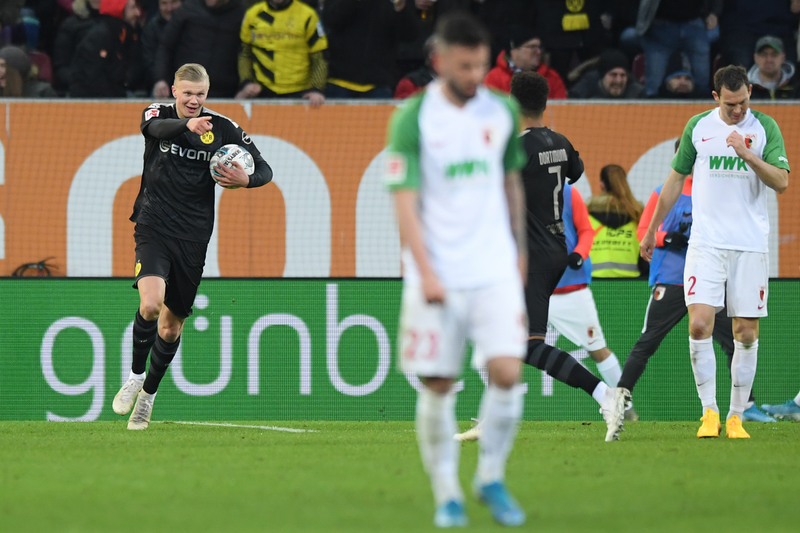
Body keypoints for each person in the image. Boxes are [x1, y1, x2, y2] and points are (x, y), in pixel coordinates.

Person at [385, 12, 529, 527]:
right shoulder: (413, 118)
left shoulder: (503, 111)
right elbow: (404, 200)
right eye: (465, 66)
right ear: (439, 60)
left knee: (508, 372)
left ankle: (490, 476)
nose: (475, 76)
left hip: (492, 266)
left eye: (482, 66)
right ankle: (447, 491)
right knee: (440, 381)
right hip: (438, 269)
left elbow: (511, 182)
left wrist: (519, 254)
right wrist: (424, 271)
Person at [454, 72, 626, 446]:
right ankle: (492, 419)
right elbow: (575, 173)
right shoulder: (561, 144)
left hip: (527, 257)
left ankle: (605, 396)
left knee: (527, 345)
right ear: (546, 103)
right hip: (555, 252)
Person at [628, 65, 789, 440]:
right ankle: (709, 413)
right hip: (707, 243)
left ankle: (736, 416)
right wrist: (652, 229)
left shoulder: (765, 129)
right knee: (699, 323)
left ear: (751, 91)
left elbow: (781, 182)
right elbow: (673, 180)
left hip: (749, 245)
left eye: (744, 101)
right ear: (716, 97)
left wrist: (747, 155)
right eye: (731, 104)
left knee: (745, 333)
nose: (738, 111)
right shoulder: (698, 127)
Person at [112, 63, 274, 430]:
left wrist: (245, 179)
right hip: (153, 225)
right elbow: (152, 128)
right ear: (174, 91)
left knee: (170, 328)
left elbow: (265, 168)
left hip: (193, 237)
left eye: (200, 94)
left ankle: (148, 398)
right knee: (150, 304)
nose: (194, 100)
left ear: (207, 93)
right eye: (187, 93)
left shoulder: (224, 129)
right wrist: (186, 124)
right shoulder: (159, 115)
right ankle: (136, 376)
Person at [617, 139, 775, 423]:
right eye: (683, 156)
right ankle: (619, 398)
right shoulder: (663, 192)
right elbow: (644, 231)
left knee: (736, 340)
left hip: (710, 281)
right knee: (648, 342)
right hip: (672, 281)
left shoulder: (713, 192)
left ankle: (746, 407)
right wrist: (668, 237)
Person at [321, 0, 416, 99]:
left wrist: (400, 8)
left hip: (379, 84)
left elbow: (410, 36)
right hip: (339, 81)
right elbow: (329, 19)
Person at [153, 0, 245, 99]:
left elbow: (246, 54)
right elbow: (166, 47)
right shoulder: (187, 9)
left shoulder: (240, 15)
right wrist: (160, 79)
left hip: (225, 94)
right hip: (186, 90)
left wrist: (244, 86)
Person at [635, 0, 720, 96]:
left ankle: (704, 110)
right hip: (660, 25)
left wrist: (714, 11)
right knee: (653, 85)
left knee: (702, 84)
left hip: (694, 22)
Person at [68, 0, 144, 97]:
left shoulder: (126, 35)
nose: (138, 13)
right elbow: (95, 79)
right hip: (90, 103)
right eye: (132, 8)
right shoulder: (100, 37)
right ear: (119, 10)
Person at [586, 164, 644, 278]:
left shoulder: (587, 215)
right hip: (633, 285)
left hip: (593, 282)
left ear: (601, 186)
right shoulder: (638, 216)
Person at [483, 27, 567, 100]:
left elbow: (564, 111)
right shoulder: (494, 78)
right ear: (514, 51)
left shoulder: (552, 77)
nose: (539, 52)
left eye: (539, 47)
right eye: (532, 47)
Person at [52, 0, 101, 92]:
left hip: (114, 89)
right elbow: (60, 65)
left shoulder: (118, 25)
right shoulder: (71, 25)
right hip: (77, 88)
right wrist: (77, 81)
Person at [569, 48, 644, 99]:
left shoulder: (638, 93)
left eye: (623, 75)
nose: (618, 80)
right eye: (613, 75)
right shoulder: (583, 90)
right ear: (602, 76)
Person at [141, 0, 181, 89]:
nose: (169, 8)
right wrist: (159, 80)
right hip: (161, 87)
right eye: (164, 3)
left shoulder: (192, 27)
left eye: (173, 2)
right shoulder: (151, 28)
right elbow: (148, 61)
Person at [748, 36, 798, 100]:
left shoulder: (796, 87)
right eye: (764, 54)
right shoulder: (745, 89)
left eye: (774, 54)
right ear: (755, 57)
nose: (769, 60)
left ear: (783, 57)